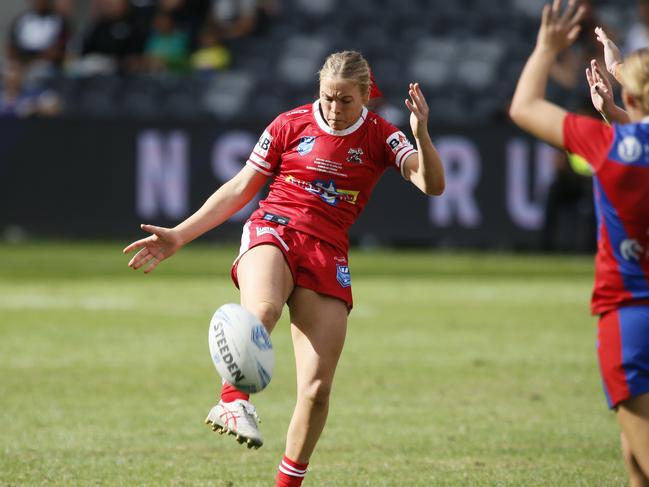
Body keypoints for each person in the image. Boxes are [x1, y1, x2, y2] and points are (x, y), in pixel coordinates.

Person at [123, 50, 445, 486]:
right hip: (274, 228)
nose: (334, 109)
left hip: (327, 251)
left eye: (345, 101)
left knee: (317, 391)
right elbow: (240, 188)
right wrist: (180, 234)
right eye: (328, 98)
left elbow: (433, 184)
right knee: (264, 309)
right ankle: (232, 400)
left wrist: (422, 135)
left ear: (365, 96)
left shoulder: (382, 136)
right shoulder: (289, 124)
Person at [509, 1, 649, 486]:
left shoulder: (607, 145)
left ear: (632, 98)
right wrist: (619, 94)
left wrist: (547, 48)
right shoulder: (619, 128)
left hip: (628, 314)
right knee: (635, 464)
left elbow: (524, 107)